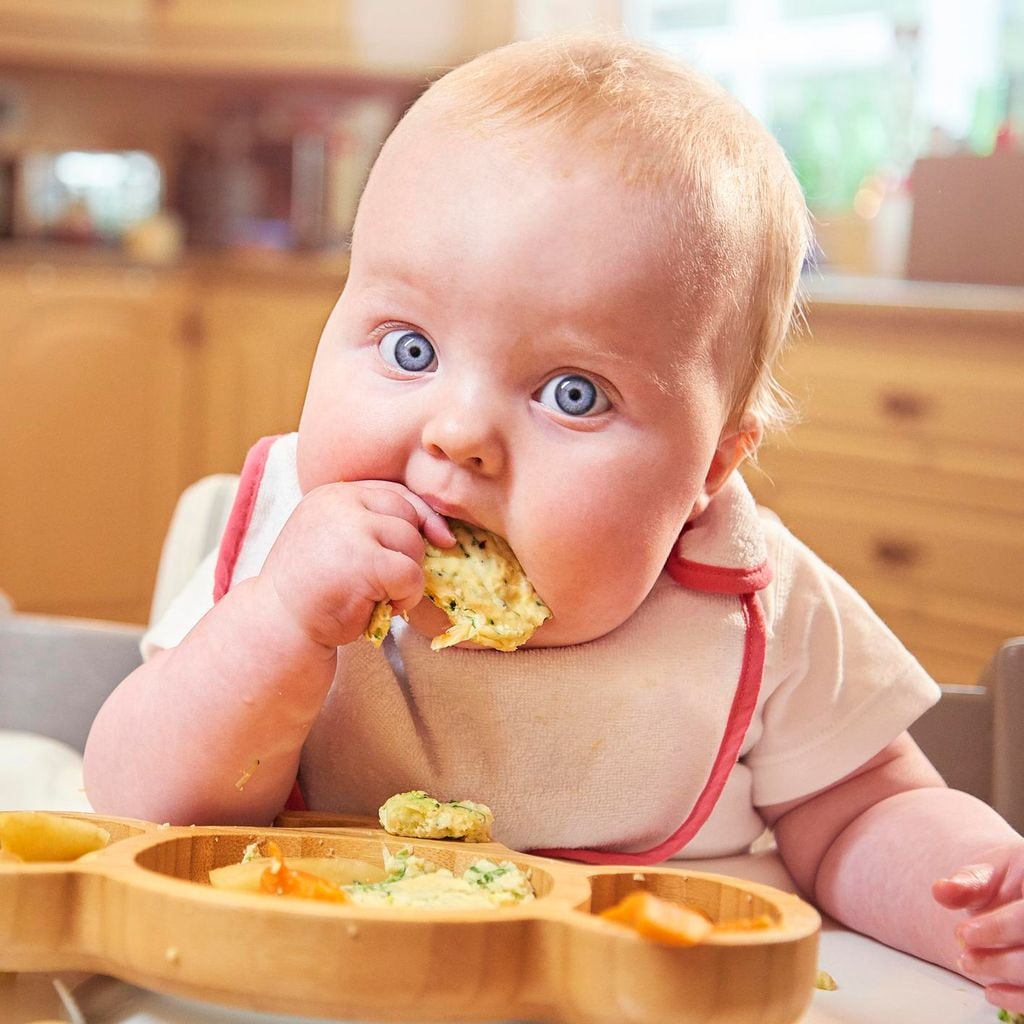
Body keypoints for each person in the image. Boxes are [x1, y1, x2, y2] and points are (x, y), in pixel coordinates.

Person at [84, 33, 1024, 1013]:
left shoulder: (754, 604)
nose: (457, 435)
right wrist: (276, 626)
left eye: (572, 393)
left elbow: (863, 811)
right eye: (410, 348)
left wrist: (972, 897)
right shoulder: (287, 546)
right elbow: (144, 808)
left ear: (709, 468)